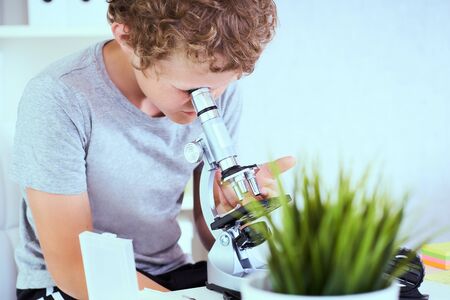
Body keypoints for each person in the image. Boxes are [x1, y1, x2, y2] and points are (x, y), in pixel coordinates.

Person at [11, 0, 295, 299]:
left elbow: (206, 229)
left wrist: (228, 211)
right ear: (127, 38)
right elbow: (74, 266)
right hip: (70, 284)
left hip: (167, 272)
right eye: (190, 91)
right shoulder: (59, 97)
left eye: (222, 86)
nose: (208, 101)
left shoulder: (216, 90)